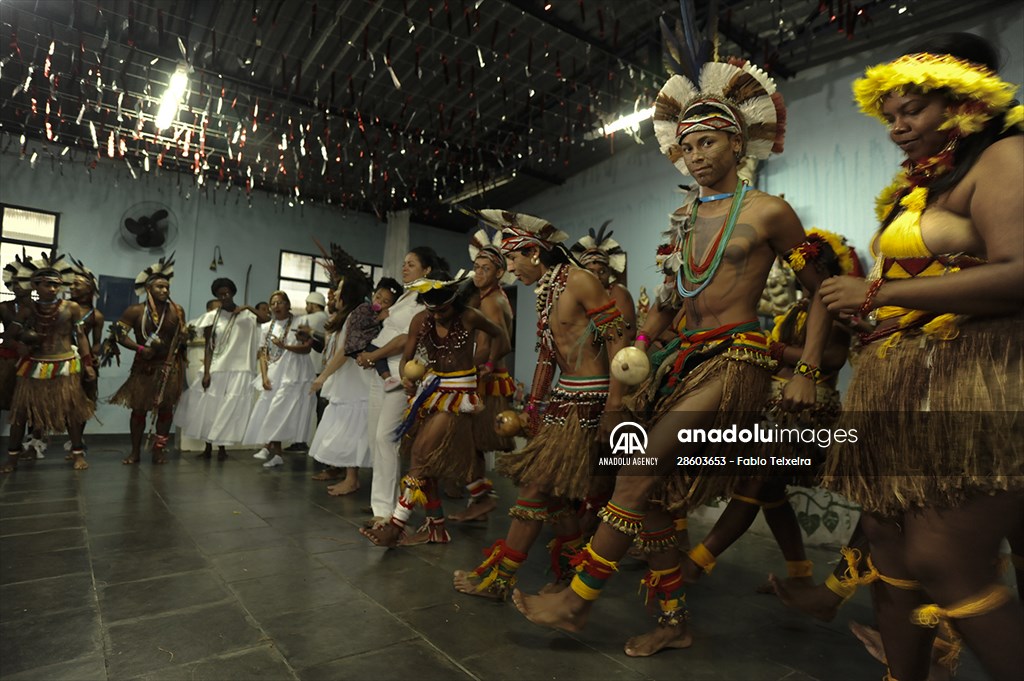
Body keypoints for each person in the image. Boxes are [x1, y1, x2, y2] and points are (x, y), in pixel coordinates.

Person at [512, 57, 833, 657]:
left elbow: (826, 291)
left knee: (636, 474)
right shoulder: (684, 220)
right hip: (678, 361)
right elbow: (666, 301)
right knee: (652, 496)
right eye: (687, 147)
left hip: (737, 360)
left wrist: (809, 371)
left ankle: (577, 602)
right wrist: (631, 356)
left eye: (708, 141)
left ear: (737, 143)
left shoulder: (770, 212)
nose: (697, 155)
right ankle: (675, 621)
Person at [816, 34, 1023, 681]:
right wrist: (873, 312)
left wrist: (883, 291)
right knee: (887, 546)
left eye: (912, 111)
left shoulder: (1006, 158)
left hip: (973, 381)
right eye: (892, 114)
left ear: (964, 102)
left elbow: (1020, 273)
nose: (897, 127)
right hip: (901, 389)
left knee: (943, 558)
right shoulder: (923, 188)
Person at [452, 210, 630, 600]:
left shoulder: (580, 280)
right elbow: (548, 356)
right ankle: (568, 570)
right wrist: (532, 408)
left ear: (533, 252)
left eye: (513, 259)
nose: (510, 269)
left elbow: (619, 341)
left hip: (591, 401)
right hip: (564, 400)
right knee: (556, 497)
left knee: (536, 488)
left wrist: (615, 405)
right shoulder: (548, 289)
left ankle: (503, 578)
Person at [360, 271, 510, 547]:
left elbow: (500, 335)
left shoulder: (469, 316)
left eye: (443, 309)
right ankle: (436, 527)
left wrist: (487, 365)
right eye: (433, 310)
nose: (439, 316)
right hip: (430, 391)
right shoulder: (421, 320)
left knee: (420, 454)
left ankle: (396, 525)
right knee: (424, 460)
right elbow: (407, 357)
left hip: (460, 396)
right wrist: (407, 377)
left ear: (454, 300)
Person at [356, 247, 443, 527]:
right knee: (374, 437)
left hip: (400, 373)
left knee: (386, 438)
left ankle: (388, 510)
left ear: (427, 270)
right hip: (381, 372)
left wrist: (375, 355)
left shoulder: (426, 299)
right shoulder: (407, 295)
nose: (404, 268)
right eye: (404, 263)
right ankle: (380, 504)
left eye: (412, 264)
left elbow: (408, 338)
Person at [2, 253, 95, 473]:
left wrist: (88, 363)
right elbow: (9, 336)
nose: (52, 289)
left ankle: (77, 454)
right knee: (21, 412)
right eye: (47, 285)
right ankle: (12, 458)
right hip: (33, 366)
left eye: (56, 285)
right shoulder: (27, 309)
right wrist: (21, 344)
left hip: (64, 364)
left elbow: (81, 337)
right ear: (34, 285)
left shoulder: (71, 308)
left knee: (72, 411)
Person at [448, 227, 518, 523]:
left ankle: (481, 498)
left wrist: (485, 366)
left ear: (499, 272)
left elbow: (502, 340)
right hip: (484, 376)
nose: (477, 273)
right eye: (476, 267)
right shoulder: (491, 296)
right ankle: (479, 500)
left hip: (484, 380)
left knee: (463, 439)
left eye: (485, 268)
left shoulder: (491, 300)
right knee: (469, 440)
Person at [309, 249, 375, 495]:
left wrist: (323, 376)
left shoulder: (360, 312)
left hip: (356, 385)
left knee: (353, 430)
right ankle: (348, 475)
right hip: (347, 383)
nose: (335, 293)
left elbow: (347, 350)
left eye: (340, 289)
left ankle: (352, 478)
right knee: (346, 429)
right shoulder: (345, 316)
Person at [108, 257, 186, 464]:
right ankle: (135, 452)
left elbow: (181, 338)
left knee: (166, 411)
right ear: (149, 288)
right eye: (160, 286)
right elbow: (118, 334)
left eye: (167, 286)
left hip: (168, 368)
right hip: (144, 368)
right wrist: (140, 348)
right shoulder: (135, 311)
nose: (165, 290)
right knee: (139, 409)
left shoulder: (177, 312)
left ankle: (159, 450)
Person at [175, 278, 261, 460]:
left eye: (227, 292)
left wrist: (247, 307)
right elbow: (208, 346)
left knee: (227, 408)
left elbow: (267, 319)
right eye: (221, 294)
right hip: (216, 368)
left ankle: (222, 448)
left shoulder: (248, 316)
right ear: (216, 296)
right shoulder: (212, 317)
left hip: (240, 369)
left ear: (233, 292)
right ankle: (208, 447)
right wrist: (206, 372)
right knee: (210, 407)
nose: (225, 296)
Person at [245, 291, 315, 468]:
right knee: (268, 408)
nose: (276, 306)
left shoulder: (300, 322)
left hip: (295, 372)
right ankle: (275, 452)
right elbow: (262, 353)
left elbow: (307, 349)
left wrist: (285, 346)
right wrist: (264, 375)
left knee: (280, 411)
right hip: (275, 370)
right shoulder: (266, 326)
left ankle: (269, 446)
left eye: (280, 302)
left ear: (288, 304)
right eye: (273, 303)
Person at [571, 221, 637, 344]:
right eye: (591, 272)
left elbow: (629, 332)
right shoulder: (577, 297)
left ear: (609, 273)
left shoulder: (618, 292)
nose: (597, 277)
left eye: (602, 272)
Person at [344, 278, 404, 391]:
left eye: (385, 302)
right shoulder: (365, 308)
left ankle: (387, 379)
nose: (379, 302)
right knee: (378, 354)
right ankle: (388, 379)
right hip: (356, 343)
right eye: (378, 297)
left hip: (363, 344)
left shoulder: (378, 314)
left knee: (377, 357)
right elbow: (361, 323)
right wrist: (378, 318)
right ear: (373, 295)